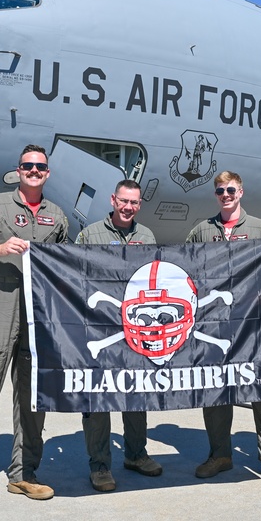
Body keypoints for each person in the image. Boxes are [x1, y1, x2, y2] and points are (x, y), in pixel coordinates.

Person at [0, 144, 69, 520]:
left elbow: (66, 264)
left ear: (47, 173)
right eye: (28, 166)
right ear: (18, 170)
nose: (34, 171)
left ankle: (24, 473)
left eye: (40, 167)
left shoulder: (56, 215)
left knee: (31, 400)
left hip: (37, 319)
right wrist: (0, 248)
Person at [185, 170, 261, 485]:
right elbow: (186, 268)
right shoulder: (202, 231)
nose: (225, 195)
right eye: (220, 191)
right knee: (215, 391)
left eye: (230, 190)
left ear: (240, 191)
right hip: (213, 326)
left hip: (252, 325)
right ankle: (220, 454)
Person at [74, 180, 163, 491]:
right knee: (98, 398)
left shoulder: (147, 236)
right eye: (124, 201)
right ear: (113, 200)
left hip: (136, 329)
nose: (128, 208)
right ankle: (99, 466)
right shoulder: (91, 234)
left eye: (134, 203)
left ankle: (136, 455)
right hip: (100, 327)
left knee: (136, 394)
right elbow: (74, 274)